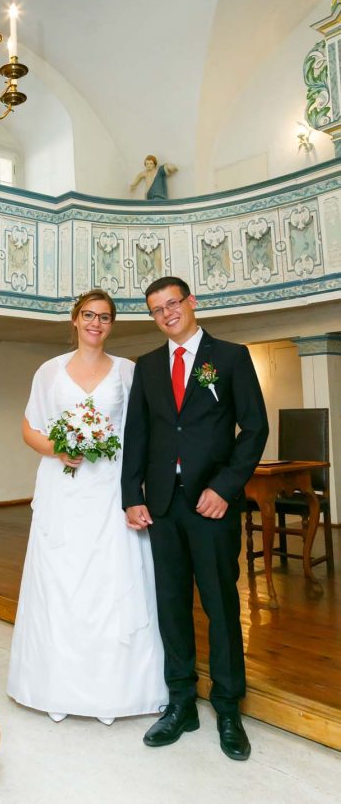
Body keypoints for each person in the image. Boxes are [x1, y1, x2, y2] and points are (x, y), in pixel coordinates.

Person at [121, 276, 268, 760]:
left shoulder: (229, 357)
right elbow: (137, 437)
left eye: (173, 304)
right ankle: (181, 702)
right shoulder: (146, 367)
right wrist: (131, 496)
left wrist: (226, 487)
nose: (167, 314)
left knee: (221, 606)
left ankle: (228, 707)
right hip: (162, 506)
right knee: (172, 606)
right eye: (157, 309)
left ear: (191, 303)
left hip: (212, 505)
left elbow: (254, 428)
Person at [7, 290, 167, 724]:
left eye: (105, 317)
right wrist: (59, 447)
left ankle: (114, 691)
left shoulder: (128, 372)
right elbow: (29, 427)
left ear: (112, 324)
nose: (96, 323)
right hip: (63, 488)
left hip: (111, 489)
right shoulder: (49, 371)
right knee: (62, 580)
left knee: (111, 580)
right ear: (75, 320)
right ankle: (56, 686)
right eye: (89, 315)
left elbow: (140, 432)